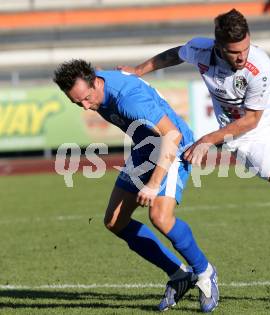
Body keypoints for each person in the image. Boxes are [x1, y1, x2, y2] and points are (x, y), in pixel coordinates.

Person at [119, 8, 270, 298]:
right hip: (244, 137)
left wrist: (208, 139)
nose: (242, 57)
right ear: (218, 47)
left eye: (245, 49)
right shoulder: (202, 50)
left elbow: (254, 116)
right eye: (234, 52)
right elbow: (175, 54)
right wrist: (138, 71)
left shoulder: (260, 66)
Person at [53, 59, 219, 312]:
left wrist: (153, 184)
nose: (86, 107)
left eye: (87, 98)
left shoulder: (128, 99)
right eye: (77, 103)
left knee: (160, 216)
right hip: (145, 148)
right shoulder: (94, 83)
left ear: (95, 81)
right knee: (115, 221)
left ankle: (205, 272)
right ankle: (179, 275)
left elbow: (171, 135)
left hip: (173, 146)